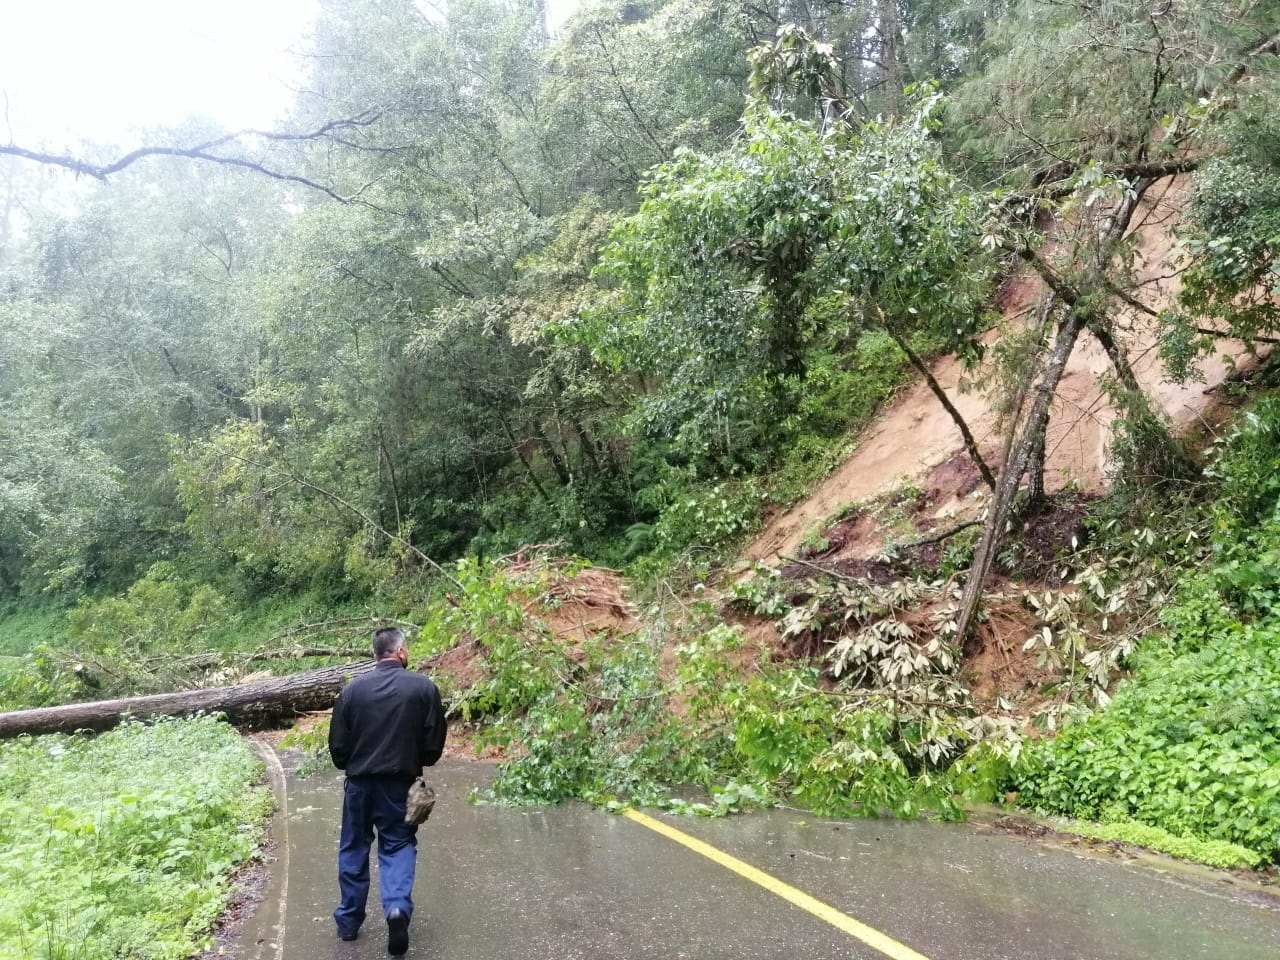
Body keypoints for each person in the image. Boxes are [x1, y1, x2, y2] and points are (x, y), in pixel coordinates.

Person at [329, 626, 447, 955]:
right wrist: (414, 759)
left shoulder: (351, 692)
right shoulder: (423, 688)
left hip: (359, 785)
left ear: (375, 654)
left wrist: (355, 763)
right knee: (398, 845)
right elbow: (433, 744)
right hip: (400, 784)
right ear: (401, 652)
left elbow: (338, 748)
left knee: (354, 848)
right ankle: (396, 908)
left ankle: (349, 922)